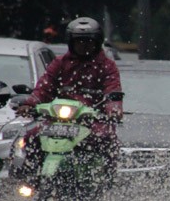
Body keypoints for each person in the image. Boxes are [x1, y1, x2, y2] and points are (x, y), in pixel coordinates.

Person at [15, 16, 124, 183]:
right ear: (70, 42)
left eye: (88, 41)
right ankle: (30, 179)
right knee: (31, 136)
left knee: (106, 139)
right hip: (57, 121)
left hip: (92, 121)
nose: (83, 45)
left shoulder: (107, 66)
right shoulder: (60, 63)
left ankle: (106, 182)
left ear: (97, 42)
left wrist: (113, 109)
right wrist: (29, 104)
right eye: (79, 41)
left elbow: (113, 89)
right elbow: (44, 87)